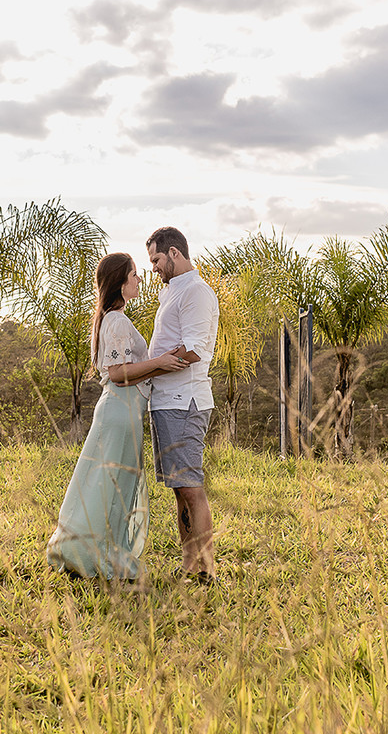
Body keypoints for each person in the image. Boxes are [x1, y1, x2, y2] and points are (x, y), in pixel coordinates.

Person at [46, 253, 190, 581]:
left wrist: (159, 363)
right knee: (108, 484)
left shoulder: (111, 318)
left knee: (110, 484)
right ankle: (87, 551)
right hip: (119, 412)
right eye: (135, 275)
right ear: (120, 282)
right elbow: (117, 372)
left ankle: (91, 546)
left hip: (124, 410)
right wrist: (161, 362)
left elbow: (125, 373)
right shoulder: (116, 320)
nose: (140, 280)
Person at [144, 227, 220, 584]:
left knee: (190, 486)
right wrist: (159, 362)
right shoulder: (173, 293)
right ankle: (189, 563)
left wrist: (152, 364)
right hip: (165, 401)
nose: (154, 268)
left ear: (174, 253)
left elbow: (193, 350)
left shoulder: (196, 292)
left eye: (156, 260)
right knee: (178, 487)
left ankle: (206, 568)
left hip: (184, 402)